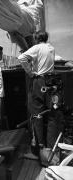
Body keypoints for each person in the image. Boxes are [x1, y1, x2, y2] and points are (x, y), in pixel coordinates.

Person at [18, 31, 63, 164]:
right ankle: (50, 150)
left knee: (37, 115)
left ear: (37, 39)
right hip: (51, 82)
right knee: (51, 115)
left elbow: (22, 58)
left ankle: (38, 151)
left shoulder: (37, 47)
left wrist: (30, 72)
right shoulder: (51, 48)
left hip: (39, 82)